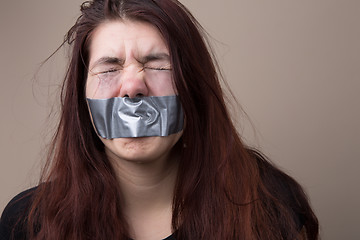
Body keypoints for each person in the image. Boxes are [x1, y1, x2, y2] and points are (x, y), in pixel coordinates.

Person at [0, 0, 319, 239]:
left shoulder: (270, 204)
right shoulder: (28, 223)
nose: (132, 87)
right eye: (110, 68)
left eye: (156, 65)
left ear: (192, 86)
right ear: (81, 99)